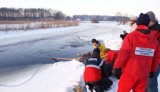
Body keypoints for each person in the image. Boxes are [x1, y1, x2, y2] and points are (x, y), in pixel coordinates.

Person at [112, 13, 160, 92]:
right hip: (144, 74)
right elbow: (157, 58)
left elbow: (123, 54)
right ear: (148, 24)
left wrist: (116, 67)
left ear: (137, 23)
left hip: (129, 73)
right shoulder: (154, 41)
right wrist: (152, 70)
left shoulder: (131, 37)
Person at [146, 11, 160, 92]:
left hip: (157, 60)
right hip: (146, 59)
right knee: (145, 81)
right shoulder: (146, 29)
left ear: (152, 20)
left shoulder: (159, 29)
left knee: (151, 81)